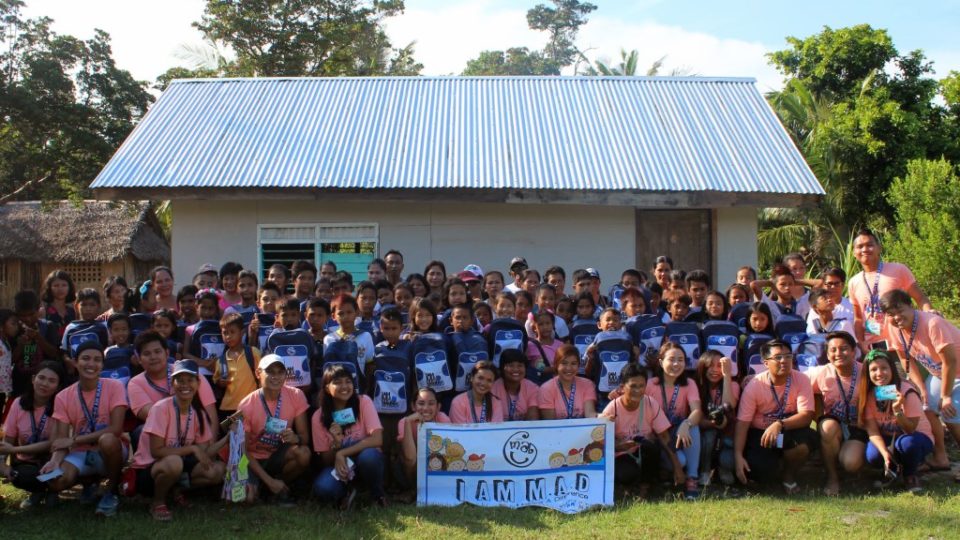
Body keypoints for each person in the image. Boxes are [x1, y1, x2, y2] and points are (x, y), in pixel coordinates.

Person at [130, 360, 228, 520]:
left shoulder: (199, 414)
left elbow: (205, 453)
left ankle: (175, 491)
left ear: (198, 383)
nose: (185, 385)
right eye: (180, 380)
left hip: (178, 464)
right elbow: (156, 451)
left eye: (190, 380)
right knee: (174, 462)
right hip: (150, 470)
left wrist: (229, 437)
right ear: (172, 384)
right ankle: (157, 502)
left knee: (217, 470)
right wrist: (192, 449)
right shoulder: (160, 408)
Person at [40, 341, 128, 517]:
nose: (91, 364)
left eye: (97, 360)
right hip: (81, 453)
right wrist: (55, 462)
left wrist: (74, 440)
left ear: (102, 365)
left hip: (111, 450)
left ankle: (111, 491)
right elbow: (61, 440)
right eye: (85, 358)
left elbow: (116, 429)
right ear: (75, 362)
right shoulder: (63, 396)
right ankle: (90, 482)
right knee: (55, 481)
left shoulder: (114, 386)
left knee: (108, 439)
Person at [881, 288, 960, 476]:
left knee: (951, 413)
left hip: (955, 371)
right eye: (891, 314)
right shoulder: (894, 328)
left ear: (911, 306)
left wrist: (946, 396)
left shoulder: (932, 323)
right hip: (939, 374)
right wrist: (921, 387)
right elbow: (904, 358)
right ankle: (941, 457)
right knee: (927, 408)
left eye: (900, 310)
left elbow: (950, 361)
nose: (897, 317)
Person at [734, 340, 815, 494]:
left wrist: (779, 424)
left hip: (788, 429)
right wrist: (738, 456)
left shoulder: (802, 379)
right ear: (766, 363)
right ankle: (773, 469)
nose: (784, 361)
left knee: (804, 443)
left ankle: (788, 476)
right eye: (778, 357)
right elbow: (743, 423)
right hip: (761, 433)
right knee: (761, 471)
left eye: (788, 356)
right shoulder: (754, 386)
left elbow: (806, 415)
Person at [236, 354, 311, 504]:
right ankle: (268, 486)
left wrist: (295, 438)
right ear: (258, 373)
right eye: (270, 372)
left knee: (304, 453)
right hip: (251, 459)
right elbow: (242, 452)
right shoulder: (246, 405)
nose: (275, 377)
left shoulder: (296, 395)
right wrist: (268, 481)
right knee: (245, 498)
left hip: (276, 455)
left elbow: (304, 438)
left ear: (286, 374)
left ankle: (276, 486)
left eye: (280, 372)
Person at [847, 228, 936, 353]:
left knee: (910, 372)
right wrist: (861, 343)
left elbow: (920, 298)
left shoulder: (898, 270)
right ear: (854, 253)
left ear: (879, 248)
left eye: (869, 245)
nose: (865, 249)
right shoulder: (853, 282)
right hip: (874, 348)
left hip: (905, 343)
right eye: (860, 246)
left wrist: (930, 315)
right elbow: (858, 318)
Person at [857, 349, 934, 493]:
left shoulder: (906, 391)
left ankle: (910, 474)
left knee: (907, 444)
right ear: (867, 373)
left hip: (916, 437)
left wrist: (898, 411)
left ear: (892, 369)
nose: (879, 373)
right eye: (873, 369)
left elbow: (910, 429)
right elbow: (872, 431)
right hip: (889, 438)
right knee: (873, 455)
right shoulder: (869, 394)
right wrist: (884, 452)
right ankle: (892, 469)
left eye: (884, 368)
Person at [127, 331, 219, 448]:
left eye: (157, 351)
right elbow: (156, 417)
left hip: (196, 437)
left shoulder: (191, 374)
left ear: (167, 353)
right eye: (147, 354)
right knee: (141, 431)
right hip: (163, 441)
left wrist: (210, 449)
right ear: (139, 359)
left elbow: (210, 415)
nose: (153, 357)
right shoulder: (135, 383)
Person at [311, 365, 386, 509]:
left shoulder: (363, 402)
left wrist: (342, 452)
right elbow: (326, 461)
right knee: (323, 488)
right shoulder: (318, 416)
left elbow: (377, 439)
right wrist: (337, 444)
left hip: (364, 459)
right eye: (337, 382)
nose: (344, 386)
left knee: (370, 457)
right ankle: (345, 493)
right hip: (340, 466)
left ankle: (378, 495)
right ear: (327, 388)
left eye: (348, 381)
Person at [601, 363, 678, 499]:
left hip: (644, 452)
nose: (638, 390)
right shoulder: (612, 409)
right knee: (626, 474)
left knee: (652, 446)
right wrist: (618, 446)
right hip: (621, 455)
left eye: (641, 386)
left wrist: (677, 467)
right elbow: (601, 445)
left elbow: (665, 437)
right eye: (633, 386)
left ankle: (645, 487)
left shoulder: (650, 403)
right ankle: (627, 486)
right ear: (622, 387)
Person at [0, 361, 65, 508]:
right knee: (19, 476)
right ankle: (39, 490)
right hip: (26, 462)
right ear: (33, 379)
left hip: (53, 461)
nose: (45, 384)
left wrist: (14, 450)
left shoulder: (60, 406)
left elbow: (52, 444)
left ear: (58, 386)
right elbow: (8, 440)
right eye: (41, 378)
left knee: (56, 472)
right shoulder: (18, 403)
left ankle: (51, 490)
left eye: (52, 381)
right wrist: (3, 465)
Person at [811, 331, 866, 496]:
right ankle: (832, 477)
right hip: (834, 425)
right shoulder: (820, 373)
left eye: (844, 349)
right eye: (833, 350)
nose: (838, 354)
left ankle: (854, 472)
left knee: (850, 463)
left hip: (859, 426)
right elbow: (795, 382)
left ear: (854, 351)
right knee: (827, 427)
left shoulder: (867, 372)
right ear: (827, 354)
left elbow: (888, 387)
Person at [646, 341, 702, 499]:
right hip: (658, 434)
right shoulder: (651, 384)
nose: (676, 364)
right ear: (661, 361)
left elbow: (697, 411)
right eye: (671, 359)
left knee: (694, 427)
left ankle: (692, 478)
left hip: (678, 430)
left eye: (681, 359)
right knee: (681, 461)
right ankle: (665, 472)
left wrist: (686, 423)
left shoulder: (689, 383)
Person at [694, 351, 739, 487]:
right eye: (710, 366)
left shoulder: (733, 385)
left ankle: (723, 469)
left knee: (728, 464)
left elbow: (728, 405)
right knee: (709, 436)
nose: (715, 370)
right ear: (703, 367)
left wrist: (726, 376)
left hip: (728, 434)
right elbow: (698, 418)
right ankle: (705, 471)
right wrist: (713, 423)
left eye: (719, 366)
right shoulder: (697, 386)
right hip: (707, 432)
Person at [397, 387, 450, 490]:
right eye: (421, 403)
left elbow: (447, 452)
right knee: (411, 460)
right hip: (412, 467)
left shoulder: (442, 419)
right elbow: (410, 457)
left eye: (431, 403)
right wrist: (408, 423)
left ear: (438, 407)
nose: (425, 408)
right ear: (413, 406)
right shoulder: (404, 422)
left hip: (437, 463)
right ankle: (412, 490)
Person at [214, 313, 261, 420]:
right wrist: (220, 382)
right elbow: (216, 379)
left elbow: (262, 377)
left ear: (242, 332)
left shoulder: (253, 353)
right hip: (228, 409)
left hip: (251, 405)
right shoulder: (221, 360)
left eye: (232, 332)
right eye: (225, 333)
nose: (228, 336)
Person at [539, 344, 597, 419]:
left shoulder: (587, 384)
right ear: (556, 365)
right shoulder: (546, 388)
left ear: (578, 365)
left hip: (582, 430)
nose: (569, 368)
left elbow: (590, 414)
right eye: (564, 363)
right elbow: (550, 421)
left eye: (573, 363)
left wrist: (603, 417)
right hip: (556, 430)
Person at [490, 350, 541, 421]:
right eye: (511, 365)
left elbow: (532, 419)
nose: (516, 369)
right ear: (502, 368)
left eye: (520, 365)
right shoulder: (492, 388)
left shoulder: (532, 388)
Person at [39, 270, 76, 337]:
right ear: (49, 288)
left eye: (64, 285)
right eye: (56, 285)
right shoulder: (43, 312)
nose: (60, 289)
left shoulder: (73, 311)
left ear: (69, 288)